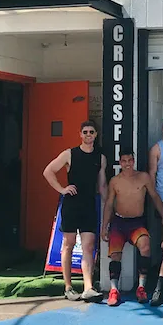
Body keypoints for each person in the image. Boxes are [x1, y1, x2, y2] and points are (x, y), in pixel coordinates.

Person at [43, 120, 107, 302]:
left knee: (88, 246)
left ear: (96, 134)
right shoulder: (69, 154)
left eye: (91, 132)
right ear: (80, 134)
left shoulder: (100, 158)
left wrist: (108, 204)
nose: (88, 135)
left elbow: (102, 184)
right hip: (72, 205)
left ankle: (88, 287)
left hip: (89, 204)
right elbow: (48, 171)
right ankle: (68, 287)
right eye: (85, 132)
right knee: (68, 244)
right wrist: (62, 189)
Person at [101, 149, 163, 306]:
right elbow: (109, 204)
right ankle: (114, 290)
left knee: (145, 245)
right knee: (115, 253)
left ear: (134, 161)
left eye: (130, 160)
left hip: (137, 223)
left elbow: (154, 196)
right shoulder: (115, 181)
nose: (127, 164)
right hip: (119, 222)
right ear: (120, 162)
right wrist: (104, 226)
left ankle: (141, 287)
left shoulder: (143, 177)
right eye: (124, 161)